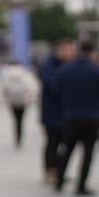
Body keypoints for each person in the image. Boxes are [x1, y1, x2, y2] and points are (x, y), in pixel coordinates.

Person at [53, 41, 99, 196]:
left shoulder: (65, 69)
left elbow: (55, 88)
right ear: (92, 52)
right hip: (92, 118)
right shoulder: (96, 70)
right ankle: (81, 186)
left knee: (66, 149)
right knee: (88, 153)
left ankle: (59, 181)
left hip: (71, 116)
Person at [37, 40, 75, 183]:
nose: (69, 53)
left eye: (71, 50)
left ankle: (59, 170)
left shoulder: (70, 65)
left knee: (64, 143)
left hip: (66, 112)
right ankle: (49, 171)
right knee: (52, 142)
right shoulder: (48, 65)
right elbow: (49, 83)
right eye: (67, 49)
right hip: (51, 112)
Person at [0, 60, 40, 149]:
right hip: (23, 101)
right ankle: (20, 137)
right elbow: (32, 87)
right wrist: (30, 98)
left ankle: (16, 137)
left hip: (12, 101)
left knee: (15, 120)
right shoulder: (25, 74)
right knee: (21, 120)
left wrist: (5, 99)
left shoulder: (7, 75)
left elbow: (3, 88)